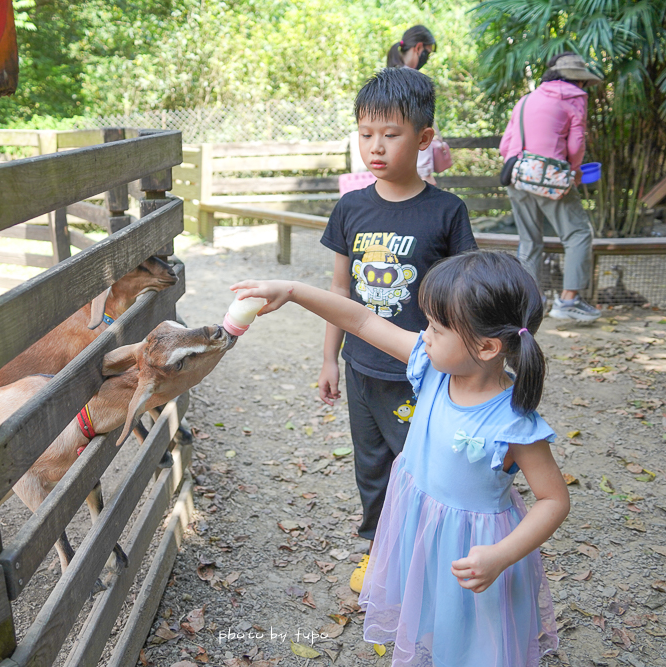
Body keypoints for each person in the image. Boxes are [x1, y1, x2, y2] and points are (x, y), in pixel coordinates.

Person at [231, 250, 568, 666]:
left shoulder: (514, 423)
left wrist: (501, 556)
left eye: (437, 327)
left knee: (476, 641)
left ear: (485, 347)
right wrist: (293, 291)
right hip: (419, 528)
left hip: (475, 553)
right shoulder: (432, 365)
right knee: (430, 617)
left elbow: (553, 500)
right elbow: (361, 320)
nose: (424, 334)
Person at [320, 67, 477, 595]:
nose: (376, 147)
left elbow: (464, 298)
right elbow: (341, 294)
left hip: (421, 372)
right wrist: (328, 360)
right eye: (366, 134)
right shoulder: (350, 207)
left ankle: (425, 556)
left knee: (420, 466)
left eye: (391, 134)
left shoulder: (447, 212)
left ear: (424, 138)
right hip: (361, 368)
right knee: (371, 467)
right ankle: (377, 552)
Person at [500, 51, 603, 321]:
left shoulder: (525, 100)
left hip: (516, 174)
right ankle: (568, 301)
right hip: (549, 179)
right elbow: (576, 145)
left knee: (529, 241)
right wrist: (574, 170)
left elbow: (504, 146)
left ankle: (530, 303)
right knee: (578, 234)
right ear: (577, 80)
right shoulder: (575, 98)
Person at [384, 25, 451, 185]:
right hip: (415, 170)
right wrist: (426, 173)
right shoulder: (412, 82)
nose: (426, 57)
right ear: (418, 48)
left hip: (392, 167)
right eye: (427, 53)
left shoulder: (387, 78)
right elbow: (417, 129)